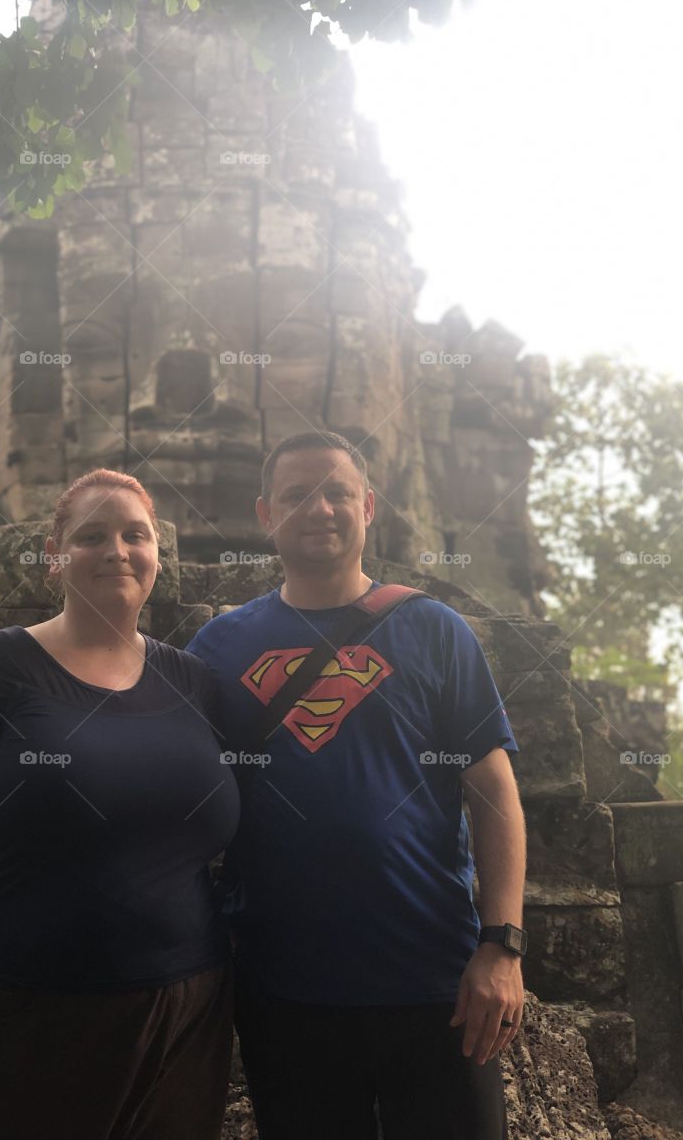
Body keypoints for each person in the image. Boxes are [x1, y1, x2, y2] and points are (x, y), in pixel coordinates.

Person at [0, 469, 240, 1140]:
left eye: (136, 535)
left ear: (159, 553)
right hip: (19, 1015)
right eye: (91, 536)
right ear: (54, 557)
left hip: (184, 1017)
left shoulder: (194, 681)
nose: (117, 551)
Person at [185, 431, 527, 1140]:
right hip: (284, 987)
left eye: (338, 492)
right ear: (264, 513)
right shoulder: (218, 648)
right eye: (296, 496)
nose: (320, 509)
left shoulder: (433, 630)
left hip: (435, 978)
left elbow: (494, 790)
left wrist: (502, 945)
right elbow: (171, 791)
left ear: (368, 506)